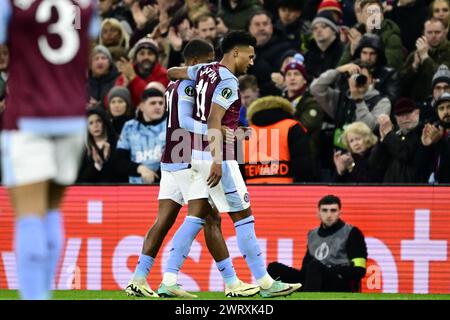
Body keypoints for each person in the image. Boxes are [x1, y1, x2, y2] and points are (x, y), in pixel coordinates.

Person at [160, 30, 302, 298]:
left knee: (196, 217)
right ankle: (265, 283)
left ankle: (169, 278)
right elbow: (214, 120)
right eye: (250, 55)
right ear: (236, 52)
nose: (252, 61)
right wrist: (217, 158)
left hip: (195, 154)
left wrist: (230, 131)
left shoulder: (205, 70)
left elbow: (171, 72)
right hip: (218, 155)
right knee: (243, 217)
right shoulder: (227, 80)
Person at [125, 38, 259, 299]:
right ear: (197, 61)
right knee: (208, 218)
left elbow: (172, 77)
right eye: (208, 60)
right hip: (185, 156)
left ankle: (139, 278)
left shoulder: (173, 83)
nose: (212, 66)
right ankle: (228, 283)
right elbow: (186, 121)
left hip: (170, 157)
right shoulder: (189, 84)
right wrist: (220, 130)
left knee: (164, 221)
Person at [0, 0, 98, 300]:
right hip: (70, 116)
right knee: (52, 212)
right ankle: (44, 293)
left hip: (28, 114)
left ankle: (35, 297)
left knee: (29, 215)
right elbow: (89, 49)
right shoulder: (86, 3)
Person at [267, 195, 368, 292]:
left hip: (339, 282)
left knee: (315, 265)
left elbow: (359, 270)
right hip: (314, 279)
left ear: (340, 213)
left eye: (333, 210)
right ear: (318, 213)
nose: (329, 215)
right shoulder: (312, 234)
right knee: (274, 268)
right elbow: (305, 269)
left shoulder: (352, 232)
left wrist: (334, 270)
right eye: (325, 210)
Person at [116, 88, 166, 184]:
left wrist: (155, 176)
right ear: (142, 106)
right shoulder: (129, 127)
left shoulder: (171, 125)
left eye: (160, 103)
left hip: (166, 188)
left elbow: (179, 160)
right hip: (135, 189)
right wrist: (140, 168)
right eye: (153, 103)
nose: (158, 106)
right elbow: (119, 160)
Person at [421, 92, 450, 183]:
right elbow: (420, 170)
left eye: (449, 107)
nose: (445, 112)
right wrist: (425, 146)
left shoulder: (438, 138)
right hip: (435, 191)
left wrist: (440, 142)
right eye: (441, 108)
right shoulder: (435, 131)